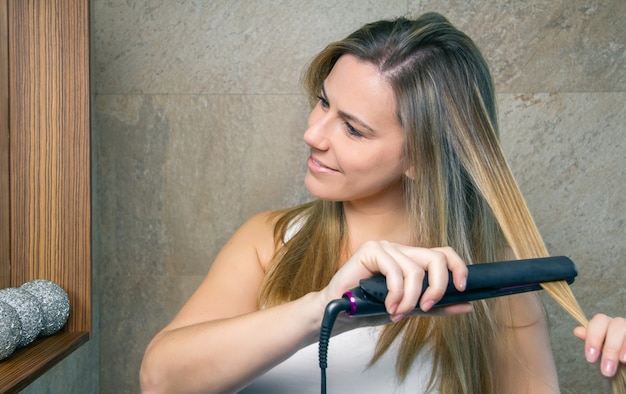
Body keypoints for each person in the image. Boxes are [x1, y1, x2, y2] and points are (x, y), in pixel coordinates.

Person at [140, 12, 626, 393]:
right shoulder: (269, 241)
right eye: (324, 101)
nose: (313, 133)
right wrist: (325, 310)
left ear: (423, 158)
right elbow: (160, 381)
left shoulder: (493, 280)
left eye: (353, 128)